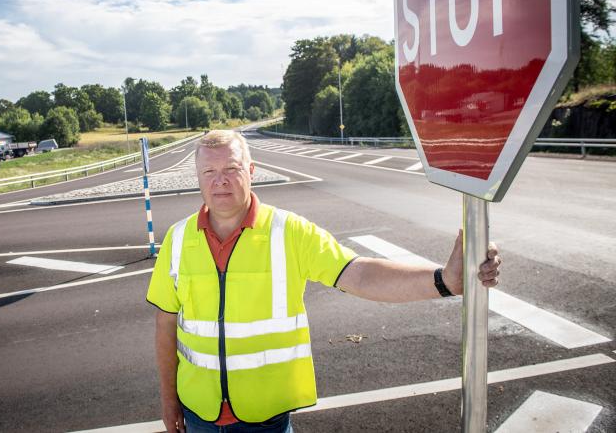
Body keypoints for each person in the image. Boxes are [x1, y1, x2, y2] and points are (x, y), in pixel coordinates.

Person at [146, 130, 502, 433]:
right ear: (197, 177)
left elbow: (360, 273)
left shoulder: (290, 232)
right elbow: (166, 326)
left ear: (252, 171)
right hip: (198, 415)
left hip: (265, 418)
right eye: (209, 170)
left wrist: (444, 280)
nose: (219, 179)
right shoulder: (177, 240)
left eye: (232, 168)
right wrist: (168, 400)